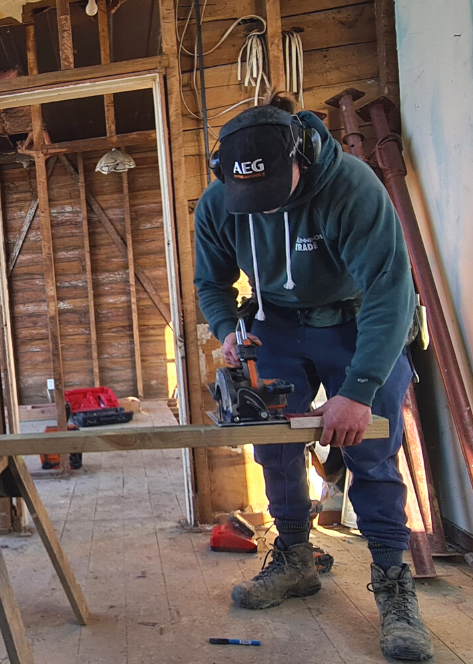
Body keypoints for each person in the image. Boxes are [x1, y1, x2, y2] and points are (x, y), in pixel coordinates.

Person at [193, 94, 433, 662]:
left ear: (300, 155)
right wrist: (228, 329)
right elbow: (212, 283)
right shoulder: (220, 201)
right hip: (273, 323)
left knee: (372, 447)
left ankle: (393, 585)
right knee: (273, 443)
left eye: (273, 193)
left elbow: (389, 293)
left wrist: (357, 390)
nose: (262, 209)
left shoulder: (353, 188)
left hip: (357, 321)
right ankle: (297, 559)